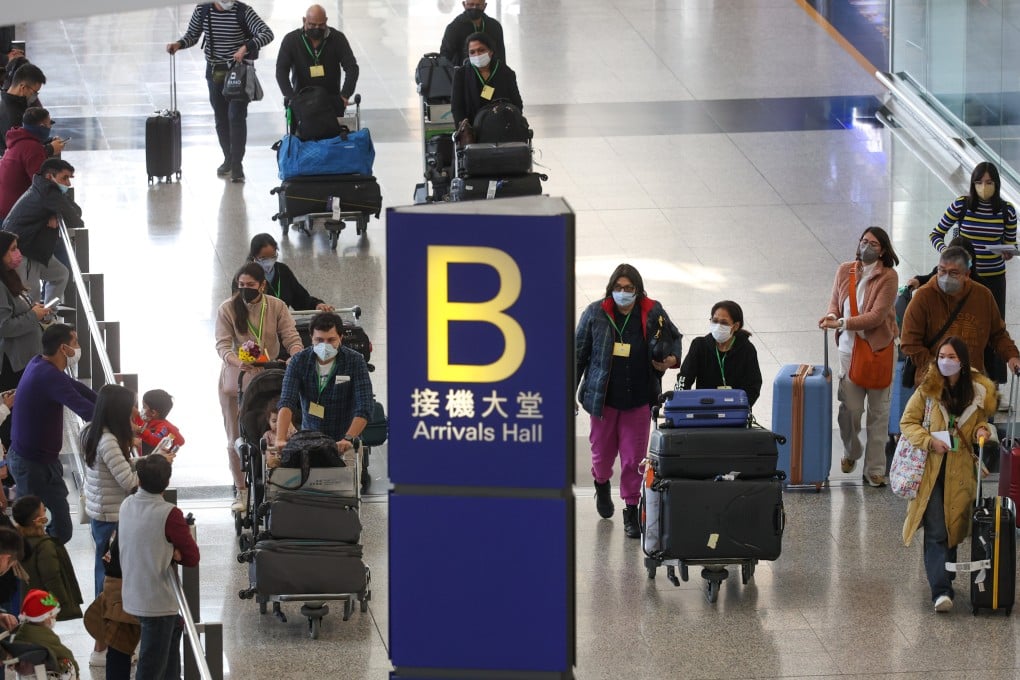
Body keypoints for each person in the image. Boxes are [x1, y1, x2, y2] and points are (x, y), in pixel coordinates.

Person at [575, 264, 682, 539]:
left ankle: (631, 510)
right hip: (603, 401)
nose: (624, 293)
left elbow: (674, 337)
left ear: (638, 290)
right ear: (611, 288)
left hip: (638, 399)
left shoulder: (651, 311)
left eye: (629, 288)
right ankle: (601, 483)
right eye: (619, 288)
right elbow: (578, 355)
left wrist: (672, 359)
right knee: (602, 455)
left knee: (634, 459)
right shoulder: (595, 313)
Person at [900, 338, 996, 613]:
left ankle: (945, 574)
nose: (944, 360)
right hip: (931, 471)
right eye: (941, 355)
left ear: (962, 362)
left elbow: (982, 422)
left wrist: (982, 431)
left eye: (951, 356)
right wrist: (929, 441)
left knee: (954, 526)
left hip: (961, 471)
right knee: (936, 530)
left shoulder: (977, 392)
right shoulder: (928, 390)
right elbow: (907, 422)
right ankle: (940, 590)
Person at [216, 263, 302, 510]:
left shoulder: (276, 306)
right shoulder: (228, 309)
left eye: (250, 286)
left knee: (276, 431)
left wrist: (295, 354)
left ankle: (280, 481)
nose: (245, 290)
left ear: (262, 285)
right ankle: (241, 491)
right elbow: (222, 345)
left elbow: (291, 336)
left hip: (270, 377)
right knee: (235, 435)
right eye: (241, 286)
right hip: (237, 378)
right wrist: (237, 361)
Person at [818, 227, 899, 487]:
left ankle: (875, 469)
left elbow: (876, 316)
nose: (866, 246)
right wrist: (832, 316)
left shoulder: (888, 277)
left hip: (878, 351)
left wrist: (842, 321)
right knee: (849, 411)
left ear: (883, 249)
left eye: (873, 243)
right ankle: (852, 451)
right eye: (863, 241)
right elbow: (834, 301)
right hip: (848, 353)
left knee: (879, 412)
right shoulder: (845, 270)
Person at [7, 324, 96, 545]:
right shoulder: (47, 375)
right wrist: (118, 414)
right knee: (33, 529)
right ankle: (33, 569)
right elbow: (84, 409)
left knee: (60, 525)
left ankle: (46, 560)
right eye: (75, 342)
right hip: (31, 464)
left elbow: (76, 388)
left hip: (43, 461)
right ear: (63, 348)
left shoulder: (40, 363)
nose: (78, 347)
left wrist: (110, 401)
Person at [167, 1, 275, 183]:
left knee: (236, 117)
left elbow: (267, 34)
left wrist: (245, 47)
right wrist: (178, 44)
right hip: (215, 72)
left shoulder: (243, 11)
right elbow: (192, 36)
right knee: (221, 117)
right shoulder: (203, 10)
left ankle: (237, 164)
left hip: (239, 72)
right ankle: (228, 158)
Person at [929, 162, 1017, 383]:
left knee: (995, 329)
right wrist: (949, 253)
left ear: (996, 184)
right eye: (979, 182)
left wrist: (1008, 252)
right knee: (966, 327)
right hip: (965, 279)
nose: (983, 187)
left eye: (988, 182)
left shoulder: (1007, 211)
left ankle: (993, 384)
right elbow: (936, 234)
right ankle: (962, 378)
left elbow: (1009, 243)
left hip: (994, 278)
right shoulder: (962, 205)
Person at [119, 455, 199, 680]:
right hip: (158, 601)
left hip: (133, 593)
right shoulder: (170, 514)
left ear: (140, 480)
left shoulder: (126, 505)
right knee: (151, 667)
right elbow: (192, 557)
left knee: (169, 660)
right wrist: (174, 552)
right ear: (167, 482)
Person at [900, 245, 1020, 386]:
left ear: (967, 274)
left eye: (954, 273)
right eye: (942, 271)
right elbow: (909, 343)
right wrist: (941, 367)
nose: (945, 278)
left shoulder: (983, 296)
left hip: (972, 382)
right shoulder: (923, 297)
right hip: (934, 383)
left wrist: (1012, 356)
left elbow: (998, 334)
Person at [274, 312, 373, 454]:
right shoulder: (298, 362)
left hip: (345, 438)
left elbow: (364, 405)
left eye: (331, 340)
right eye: (319, 340)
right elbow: (286, 401)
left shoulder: (355, 361)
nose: (325, 345)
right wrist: (280, 438)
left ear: (341, 338)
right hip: (310, 440)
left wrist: (348, 438)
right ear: (311, 338)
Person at [2, 157, 84, 304]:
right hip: (25, 249)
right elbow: (75, 220)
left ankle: (48, 315)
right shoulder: (48, 192)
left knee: (60, 274)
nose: (68, 183)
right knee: (30, 295)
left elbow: (76, 211)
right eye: (64, 178)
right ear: (49, 176)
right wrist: (60, 215)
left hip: (35, 248)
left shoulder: (43, 187)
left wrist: (55, 215)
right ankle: (37, 322)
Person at [676, 300, 762, 406]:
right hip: (705, 408)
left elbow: (753, 384)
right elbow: (684, 377)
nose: (718, 326)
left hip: (735, 409)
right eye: (715, 321)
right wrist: (679, 402)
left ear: (735, 326)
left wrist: (742, 406)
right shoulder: (699, 345)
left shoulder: (747, 349)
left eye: (724, 323)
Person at [275, 5, 359, 113]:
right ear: (304, 20)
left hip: (331, 101)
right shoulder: (291, 40)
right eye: (312, 24)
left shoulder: (337, 38)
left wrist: (345, 95)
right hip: (301, 101)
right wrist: (291, 98)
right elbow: (281, 71)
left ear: (326, 21)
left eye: (321, 25)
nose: (316, 29)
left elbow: (352, 67)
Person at [11, 496, 83, 621]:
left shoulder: (18, 541)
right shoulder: (45, 546)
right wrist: (61, 602)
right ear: (39, 519)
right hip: (45, 603)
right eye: (44, 509)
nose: (47, 511)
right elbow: (51, 576)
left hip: (29, 600)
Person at [83, 531, 138, 680]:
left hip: (114, 583)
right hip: (125, 588)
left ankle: (101, 649)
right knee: (121, 646)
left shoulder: (126, 514)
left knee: (117, 648)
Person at [0, 107, 64, 219]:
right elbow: (43, 185)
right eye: (49, 124)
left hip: (6, 205)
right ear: (42, 127)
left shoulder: (18, 140)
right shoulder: (33, 148)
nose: (50, 128)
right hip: (14, 212)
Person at [0, 232, 45, 392]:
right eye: (12, 249)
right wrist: (33, 315)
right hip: (13, 365)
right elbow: (4, 327)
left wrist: (34, 309)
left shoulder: (9, 276)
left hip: (26, 360)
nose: (18, 253)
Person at [451, 32, 521, 129]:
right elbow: (457, 107)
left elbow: (517, 104)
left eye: (481, 50)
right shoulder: (461, 74)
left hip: (503, 127)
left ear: (491, 51)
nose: (477, 55)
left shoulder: (506, 73)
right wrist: (464, 130)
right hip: (473, 129)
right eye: (472, 52)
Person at [246, 233, 333, 311]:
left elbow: (300, 298)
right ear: (254, 257)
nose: (269, 262)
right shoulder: (245, 276)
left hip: (282, 324)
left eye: (272, 257)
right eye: (263, 258)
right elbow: (241, 307)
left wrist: (317, 305)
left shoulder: (283, 270)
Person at [10, 589, 79, 677]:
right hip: (45, 673)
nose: (55, 619)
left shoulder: (21, 630)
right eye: (54, 616)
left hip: (25, 672)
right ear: (46, 618)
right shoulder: (46, 636)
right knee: (68, 664)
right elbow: (65, 654)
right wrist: (77, 674)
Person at [440, 0, 504, 67]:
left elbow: (501, 53)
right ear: (464, 4)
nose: (474, 8)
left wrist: (503, 73)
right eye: (471, 4)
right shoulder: (454, 27)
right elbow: (445, 56)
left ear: (485, 6)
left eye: (478, 5)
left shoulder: (495, 26)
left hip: (491, 73)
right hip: (463, 74)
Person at [0, 63, 45, 155]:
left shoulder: (15, 103)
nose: (35, 96)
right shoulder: (12, 114)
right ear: (23, 87)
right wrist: (49, 149)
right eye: (35, 92)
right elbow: (20, 152)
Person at [138, 389, 185, 456]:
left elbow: (154, 439)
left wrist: (140, 430)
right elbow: (137, 420)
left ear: (153, 413)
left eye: (144, 407)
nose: (142, 409)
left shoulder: (163, 427)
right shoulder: (149, 421)